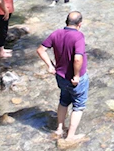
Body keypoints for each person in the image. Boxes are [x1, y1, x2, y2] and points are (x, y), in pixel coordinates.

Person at [36, 12, 88, 144]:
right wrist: (76, 75)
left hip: (60, 76)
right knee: (79, 105)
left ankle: (59, 129)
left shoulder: (56, 33)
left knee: (64, 100)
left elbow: (40, 50)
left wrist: (50, 66)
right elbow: (77, 58)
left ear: (66, 22)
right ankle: (70, 136)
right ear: (79, 24)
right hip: (75, 79)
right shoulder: (78, 36)